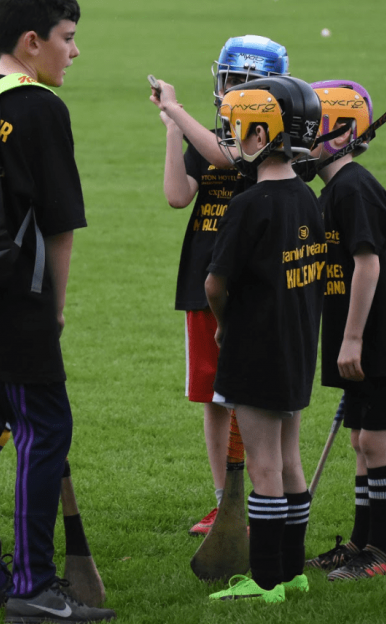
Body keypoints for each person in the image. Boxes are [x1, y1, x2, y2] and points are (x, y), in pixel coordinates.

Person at [0, 0, 114, 623]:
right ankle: (34, 585)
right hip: (18, 301)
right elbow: (58, 223)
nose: (74, 52)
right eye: (68, 39)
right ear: (31, 40)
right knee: (45, 431)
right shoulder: (41, 107)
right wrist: (57, 309)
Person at [149, 35, 290, 537]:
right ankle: (222, 502)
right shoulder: (204, 136)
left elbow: (229, 159)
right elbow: (176, 196)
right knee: (212, 398)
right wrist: (172, 130)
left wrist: (177, 107)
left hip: (246, 287)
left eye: (245, 83)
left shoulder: (272, 143)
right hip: (201, 282)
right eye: (229, 81)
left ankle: (260, 497)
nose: (233, 92)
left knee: (247, 399)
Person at [204, 76, 326, 604]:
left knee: (264, 465)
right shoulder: (306, 196)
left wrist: (223, 320)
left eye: (236, 129)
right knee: (290, 457)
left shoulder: (248, 204)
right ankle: (294, 570)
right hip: (298, 343)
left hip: (255, 346)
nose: (232, 137)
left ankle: (268, 579)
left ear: (261, 133)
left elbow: (214, 283)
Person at [302, 81, 386, 581]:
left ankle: (380, 552)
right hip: (355, 337)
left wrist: (353, 337)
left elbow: (369, 265)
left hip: (377, 340)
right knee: (360, 440)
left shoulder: (354, 188)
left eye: (308, 131)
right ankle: (360, 544)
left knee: (374, 442)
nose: (299, 141)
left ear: (340, 133)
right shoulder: (331, 189)